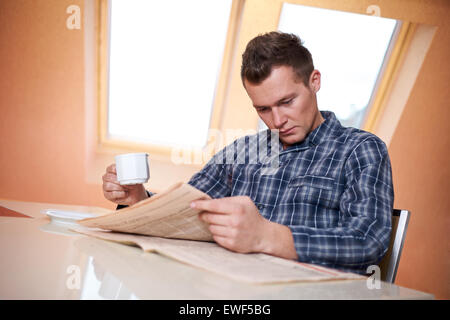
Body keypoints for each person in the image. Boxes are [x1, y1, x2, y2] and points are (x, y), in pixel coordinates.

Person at [102, 31, 394, 274]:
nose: (277, 120)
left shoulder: (359, 150)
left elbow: (368, 240)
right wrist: (139, 200)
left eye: (287, 102)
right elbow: (187, 208)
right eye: (263, 109)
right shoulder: (242, 151)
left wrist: (269, 237)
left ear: (314, 81)